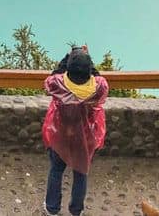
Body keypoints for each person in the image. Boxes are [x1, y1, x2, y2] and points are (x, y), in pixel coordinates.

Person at [42, 46, 109, 216]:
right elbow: (97, 75)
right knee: (81, 172)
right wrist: (86, 57)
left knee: (56, 170)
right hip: (86, 138)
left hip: (60, 135)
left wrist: (70, 56)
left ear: (69, 69)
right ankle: (76, 210)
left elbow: (54, 74)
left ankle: (52, 208)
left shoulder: (57, 84)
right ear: (88, 71)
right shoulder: (99, 87)